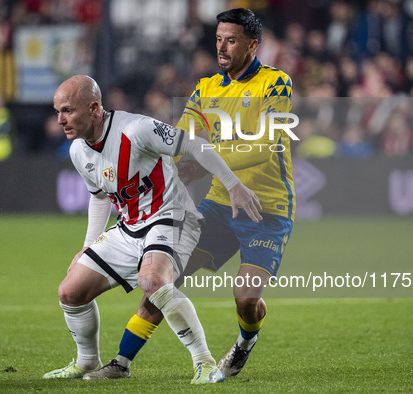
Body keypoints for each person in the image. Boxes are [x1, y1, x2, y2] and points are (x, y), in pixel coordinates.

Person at [84, 8, 295, 380]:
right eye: (218, 39)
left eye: (231, 40)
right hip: (217, 206)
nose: (222, 46)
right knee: (164, 280)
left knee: (246, 298)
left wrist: (206, 162)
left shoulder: (275, 83)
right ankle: (121, 363)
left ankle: (246, 341)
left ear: (252, 44)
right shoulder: (206, 88)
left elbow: (267, 145)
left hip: (268, 207)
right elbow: (181, 141)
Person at [43, 75, 262, 384]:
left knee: (152, 280)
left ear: (93, 108)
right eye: (57, 111)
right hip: (129, 227)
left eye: (67, 111)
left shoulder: (137, 129)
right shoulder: (78, 150)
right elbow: (100, 197)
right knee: (70, 291)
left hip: (171, 218)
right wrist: (88, 245)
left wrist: (234, 185)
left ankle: (204, 361)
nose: (60, 120)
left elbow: (195, 145)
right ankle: (85, 361)